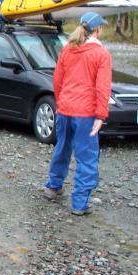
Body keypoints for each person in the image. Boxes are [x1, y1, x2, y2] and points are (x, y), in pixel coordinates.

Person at [43, 11, 112, 216]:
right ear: (97, 30)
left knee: (62, 148)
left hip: (65, 108)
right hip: (86, 113)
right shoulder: (101, 54)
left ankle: (53, 186)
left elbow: (57, 80)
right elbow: (102, 88)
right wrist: (101, 115)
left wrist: (60, 101)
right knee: (87, 156)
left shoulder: (68, 49)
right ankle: (80, 203)